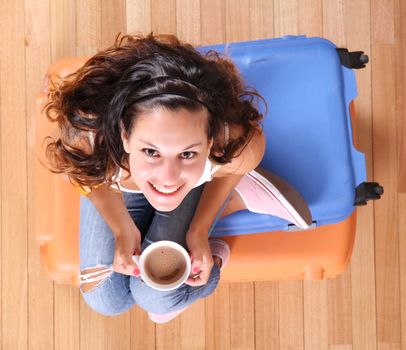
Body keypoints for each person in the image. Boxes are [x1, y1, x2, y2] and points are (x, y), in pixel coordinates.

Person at [43, 33, 312, 324]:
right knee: (105, 300)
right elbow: (84, 178)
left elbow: (233, 163)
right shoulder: (89, 143)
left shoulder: (238, 146)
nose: (167, 179)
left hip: (200, 182)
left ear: (210, 142)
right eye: (150, 151)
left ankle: (234, 199)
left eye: (187, 154)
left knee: (155, 298)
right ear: (124, 135)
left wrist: (199, 230)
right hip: (121, 184)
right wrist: (121, 227)